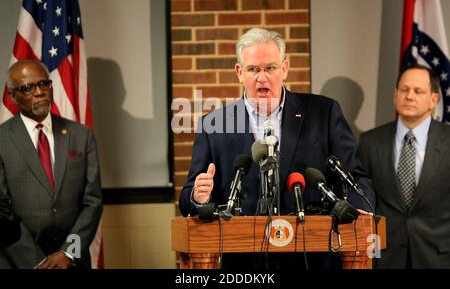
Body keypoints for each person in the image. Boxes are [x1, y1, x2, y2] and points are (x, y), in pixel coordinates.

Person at [179, 27, 375, 269]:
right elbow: (188, 198)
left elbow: (355, 178)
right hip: (246, 265)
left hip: (315, 258)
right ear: (239, 72)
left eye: (270, 68)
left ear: (285, 68)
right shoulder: (215, 125)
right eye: (253, 69)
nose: (262, 78)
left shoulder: (323, 113)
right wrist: (199, 196)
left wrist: (358, 211)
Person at [0, 59, 103, 269]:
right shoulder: (2, 139)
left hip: (72, 263)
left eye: (44, 84)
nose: (39, 92)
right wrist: (38, 262)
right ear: (12, 96)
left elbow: (92, 202)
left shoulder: (81, 135)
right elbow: (1, 210)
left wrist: (67, 252)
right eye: (28, 87)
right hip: (18, 262)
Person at [359, 64, 450, 268]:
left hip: (439, 258)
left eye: (418, 91)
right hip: (385, 257)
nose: (409, 96)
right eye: (404, 90)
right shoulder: (370, 142)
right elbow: (365, 200)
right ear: (395, 94)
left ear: (434, 100)